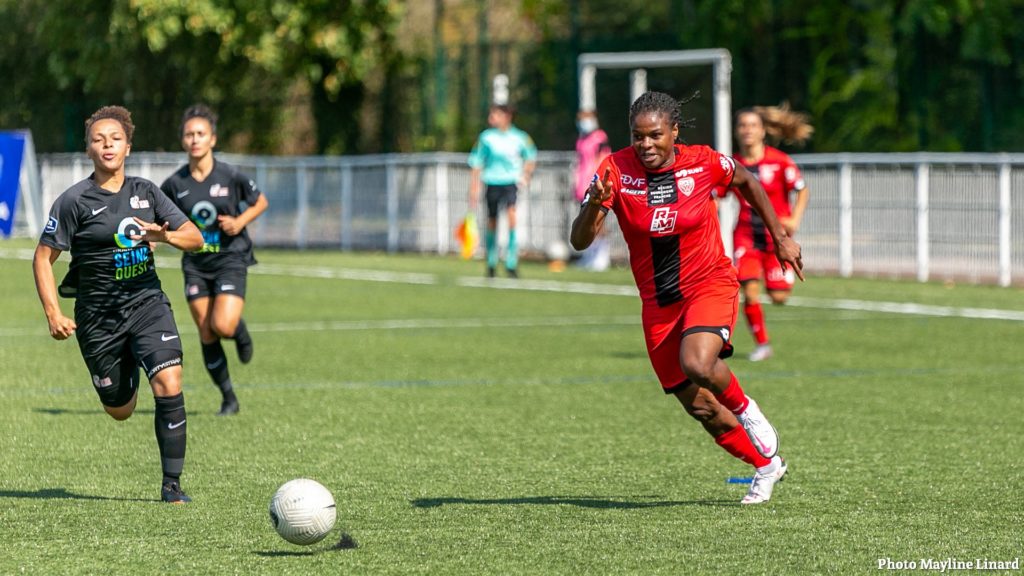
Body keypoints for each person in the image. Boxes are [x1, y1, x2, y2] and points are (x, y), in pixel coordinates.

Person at [570, 92, 804, 505]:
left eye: (655, 135)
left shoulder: (703, 161)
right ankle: (767, 467)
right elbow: (579, 240)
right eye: (638, 137)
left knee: (697, 362)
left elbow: (747, 182)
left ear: (674, 132)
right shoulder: (616, 171)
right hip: (658, 304)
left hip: (708, 283)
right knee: (703, 411)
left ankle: (748, 409)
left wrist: (781, 237)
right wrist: (593, 203)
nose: (646, 145)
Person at [32, 105, 204, 503]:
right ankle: (123, 370)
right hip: (98, 319)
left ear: (128, 146)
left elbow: (195, 237)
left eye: (115, 138)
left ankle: (171, 487)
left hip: (147, 304)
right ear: (88, 149)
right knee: (120, 410)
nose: (107, 145)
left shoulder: (146, 192)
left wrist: (164, 237)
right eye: (98, 139)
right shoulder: (73, 202)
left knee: (169, 380)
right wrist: (53, 312)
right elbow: (43, 257)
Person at [160, 104, 268, 416]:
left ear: (212, 139)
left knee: (222, 324)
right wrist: (155, 240)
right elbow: (162, 218)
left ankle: (239, 332)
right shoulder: (174, 184)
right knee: (206, 331)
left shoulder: (230, 175)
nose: (194, 139)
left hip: (229, 257)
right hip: (194, 263)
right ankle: (228, 398)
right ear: (182, 141)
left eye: (200, 134)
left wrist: (240, 221)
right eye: (189, 134)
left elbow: (260, 201)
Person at [724, 104, 812, 361]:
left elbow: (802, 189)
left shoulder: (779, 161)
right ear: (736, 132)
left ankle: (771, 282)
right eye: (742, 126)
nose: (747, 130)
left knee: (779, 296)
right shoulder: (733, 165)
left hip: (777, 238)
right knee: (749, 291)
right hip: (745, 235)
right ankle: (763, 344)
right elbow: (717, 194)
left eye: (752, 125)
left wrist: (794, 218)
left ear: (763, 131)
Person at [468, 104, 537, 278]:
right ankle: (491, 262)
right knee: (492, 221)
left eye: (496, 114)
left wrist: (526, 175)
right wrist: (474, 186)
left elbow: (530, 156)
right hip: (492, 181)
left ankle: (511, 262)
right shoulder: (486, 137)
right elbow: (476, 161)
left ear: (506, 116)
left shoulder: (519, 137)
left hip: (510, 183)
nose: (492, 118)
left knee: (512, 217)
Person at [573, 109, 612, 271]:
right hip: (582, 185)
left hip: (594, 184)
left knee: (598, 221)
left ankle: (601, 256)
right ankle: (589, 256)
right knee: (585, 221)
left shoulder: (600, 138)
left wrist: (599, 182)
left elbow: (602, 159)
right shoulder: (582, 139)